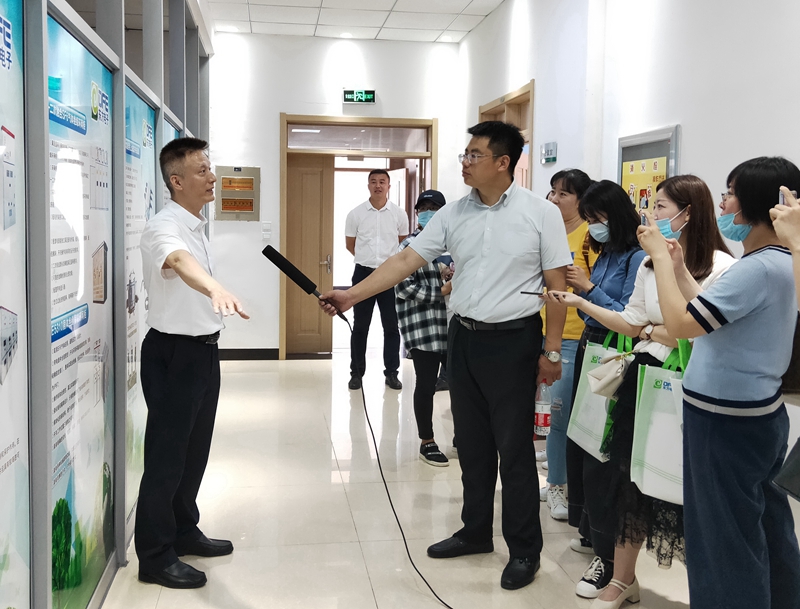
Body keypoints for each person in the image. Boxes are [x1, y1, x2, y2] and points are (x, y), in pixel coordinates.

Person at [319, 121, 570, 590]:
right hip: (464, 339)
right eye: (465, 154)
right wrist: (351, 295)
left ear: (503, 162)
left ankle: (524, 550)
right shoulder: (454, 214)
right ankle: (475, 532)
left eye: (475, 155)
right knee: (471, 445)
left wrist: (552, 352)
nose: (465, 163)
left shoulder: (541, 214)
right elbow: (404, 260)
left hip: (515, 341)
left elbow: (557, 286)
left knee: (514, 450)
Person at [544, 174, 735, 609]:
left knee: (690, 488)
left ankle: (712, 585)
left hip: (694, 385)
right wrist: (582, 304)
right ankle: (622, 577)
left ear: (689, 213)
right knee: (629, 478)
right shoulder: (649, 264)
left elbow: (694, 332)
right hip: (644, 376)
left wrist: (654, 330)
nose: (652, 214)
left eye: (661, 206)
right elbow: (632, 322)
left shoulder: (722, 266)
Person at [642, 157, 800, 609]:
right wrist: (678, 270)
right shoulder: (781, 262)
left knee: (722, 541)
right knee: (766, 526)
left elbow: (681, 325)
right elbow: (714, 317)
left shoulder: (756, 269)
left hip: (724, 422)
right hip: (757, 415)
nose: (723, 202)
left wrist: (658, 257)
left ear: (752, 203)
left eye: (730, 193)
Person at [135, 138, 249, 589]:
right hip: (173, 355)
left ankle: (183, 530)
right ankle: (155, 556)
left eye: (210, 168)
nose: (212, 177)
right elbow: (178, 261)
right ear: (176, 181)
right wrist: (214, 288)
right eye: (202, 171)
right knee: (166, 459)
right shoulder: (163, 226)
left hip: (203, 351)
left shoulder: (197, 225)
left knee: (194, 452)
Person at [559, 180, 647, 599]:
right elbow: (595, 313)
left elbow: (630, 317)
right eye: (590, 218)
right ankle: (590, 529)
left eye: (597, 218)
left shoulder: (637, 257)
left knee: (606, 455)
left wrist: (587, 290)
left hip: (617, 355)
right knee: (584, 442)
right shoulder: (607, 252)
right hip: (592, 348)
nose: (593, 226)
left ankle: (609, 558)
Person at [537, 169, 598, 522]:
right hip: (541, 330)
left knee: (562, 415)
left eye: (564, 193)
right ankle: (556, 479)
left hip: (575, 336)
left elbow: (594, 285)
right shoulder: (546, 231)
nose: (555, 199)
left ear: (581, 199)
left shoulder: (590, 235)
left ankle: (559, 486)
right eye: (553, 192)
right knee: (549, 412)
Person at [395, 190, 451, 466]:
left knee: (460, 386)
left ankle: (463, 438)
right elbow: (403, 287)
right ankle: (427, 441)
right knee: (426, 384)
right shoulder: (409, 246)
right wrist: (441, 291)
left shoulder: (453, 243)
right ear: (417, 213)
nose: (428, 212)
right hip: (424, 328)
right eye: (424, 208)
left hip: (456, 326)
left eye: (434, 208)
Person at [345, 169, 409, 391]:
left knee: (391, 327)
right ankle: (356, 373)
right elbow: (350, 245)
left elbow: (403, 245)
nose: (378, 185)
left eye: (382, 182)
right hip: (363, 274)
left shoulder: (399, 214)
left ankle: (391, 373)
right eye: (374, 182)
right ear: (368, 186)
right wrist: (369, 261)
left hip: (390, 276)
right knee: (360, 326)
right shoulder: (356, 214)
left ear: (389, 186)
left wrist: (386, 267)